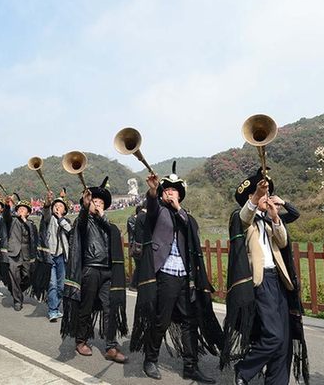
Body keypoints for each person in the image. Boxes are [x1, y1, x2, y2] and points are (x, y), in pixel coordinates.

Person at [132, 162, 222, 383]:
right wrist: (153, 191)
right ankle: (150, 359)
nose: (170, 192)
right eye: (167, 189)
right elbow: (151, 206)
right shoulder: (157, 211)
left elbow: (193, 230)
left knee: (190, 321)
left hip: (185, 275)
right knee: (161, 320)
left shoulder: (185, 217)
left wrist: (179, 209)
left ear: (180, 195)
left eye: (174, 190)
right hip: (165, 273)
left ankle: (190, 366)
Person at [223, 171, 309, 385]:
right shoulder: (240, 218)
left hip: (279, 282)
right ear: (251, 198)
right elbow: (245, 217)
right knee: (273, 336)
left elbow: (282, 241)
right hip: (260, 282)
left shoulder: (269, 219)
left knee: (284, 340)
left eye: (269, 193)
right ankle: (244, 369)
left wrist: (276, 216)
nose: (267, 197)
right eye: (264, 194)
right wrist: (256, 197)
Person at [61, 177, 129, 364]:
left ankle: (111, 347)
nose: (97, 205)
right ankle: (81, 340)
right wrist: (84, 207)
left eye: (100, 203)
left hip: (108, 272)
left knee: (110, 307)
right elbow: (81, 221)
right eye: (94, 202)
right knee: (86, 307)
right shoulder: (83, 222)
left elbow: (114, 237)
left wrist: (103, 217)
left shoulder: (109, 225)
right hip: (90, 270)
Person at [38, 191, 71, 322]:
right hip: (50, 256)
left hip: (62, 256)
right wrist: (47, 202)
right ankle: (53, 310)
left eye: (61, 205)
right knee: (52, 284)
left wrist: (61, 219)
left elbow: (70, 230)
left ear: (65, 209)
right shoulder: (49, 219)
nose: (58, 207)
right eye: (55, 205)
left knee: (61, 285)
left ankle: (55, 305)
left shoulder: (66, 221)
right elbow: (46, 211)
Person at [7, 199, 38, 311]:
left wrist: (25, 221)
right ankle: (17, 301)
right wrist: (7, 205)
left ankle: (17, 290)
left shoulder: (31, 224)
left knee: (27, 276)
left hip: (26, 254)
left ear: (28, 213)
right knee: (14, 276)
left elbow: (33, 237)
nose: (21, 211)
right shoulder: (12, 220)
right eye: (19, 209)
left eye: (23, 209)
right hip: (14, 253)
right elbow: (6, 215)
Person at [127, 203, 146, 290]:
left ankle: (137, 284)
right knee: (139, 265)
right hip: (135, 245)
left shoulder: (134, 219)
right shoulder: (132, 220)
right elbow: (135, 231)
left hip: (138, 245)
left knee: (141, 265)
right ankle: (133, 284)